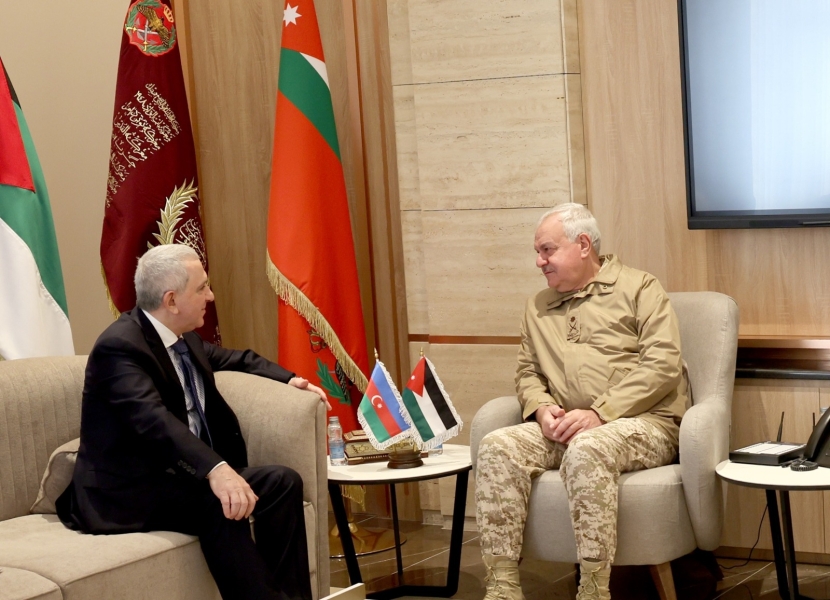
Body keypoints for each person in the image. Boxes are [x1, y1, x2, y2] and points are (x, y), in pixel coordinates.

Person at [57, 244, 329, 600]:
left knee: (282, 481)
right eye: (201, 288)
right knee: (219, 501)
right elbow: (153, 421)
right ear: (171, 300)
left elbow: (236, 359)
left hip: (177, 476)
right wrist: (216, 469)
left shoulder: (181, 338)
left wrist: (290, 379)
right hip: (126, 490)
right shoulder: (119, 348)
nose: (210, 296)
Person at [475, 204, 689, 600]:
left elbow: (663, 364)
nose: (539, 261)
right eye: (537, 252)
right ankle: (502, 587)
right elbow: (527, 372)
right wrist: (541, 408)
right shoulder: (537, 307)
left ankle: (593, 590)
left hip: (644, 425)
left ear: (583, 245)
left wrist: (600, 413)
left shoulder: (640, 288)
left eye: (547, 250)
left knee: (589, 448)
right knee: (497, 447)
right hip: (564, 429)